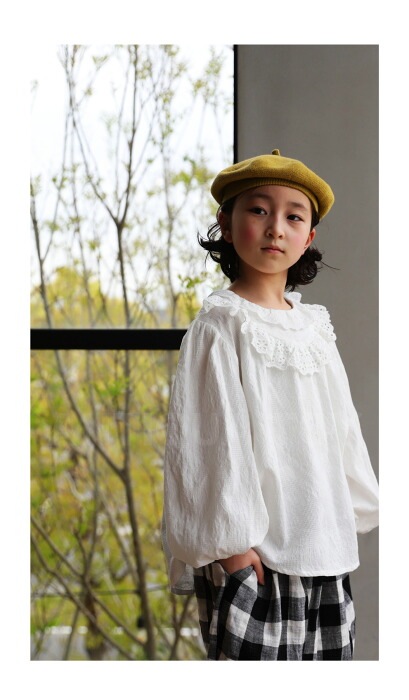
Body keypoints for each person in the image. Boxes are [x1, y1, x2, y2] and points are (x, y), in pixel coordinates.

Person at [161, 149, 379, 661]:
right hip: (254, 555)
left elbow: (340, 427)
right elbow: (207, 440)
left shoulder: (315, 326)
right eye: (258, 210)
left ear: (309, 237)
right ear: (226, 222)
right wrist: (232, 545)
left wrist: (347, 509)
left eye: (293, 217)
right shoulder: (221, 324)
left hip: (321, 543)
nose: (275, 228)